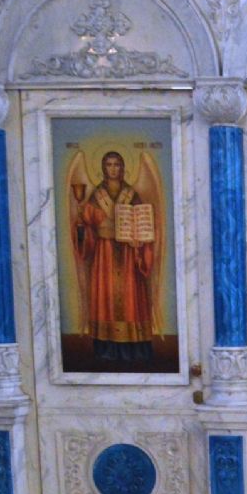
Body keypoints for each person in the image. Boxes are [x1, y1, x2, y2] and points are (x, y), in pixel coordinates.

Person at [72, 151, 159, 363]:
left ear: (123, 168)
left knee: (131, 298)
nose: (113, 169)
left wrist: (140, 241)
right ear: (103, 168)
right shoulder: (96, 196)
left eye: (117, 164)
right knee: (106, 298)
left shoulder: (131, 194)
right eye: (109, 164)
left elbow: (143, 223)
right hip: (105, 255)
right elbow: (86, 232)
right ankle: (106, 349)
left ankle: (134, 350)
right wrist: (82, 226)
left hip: (129, 254)